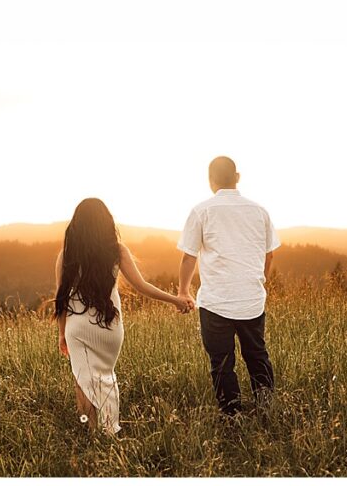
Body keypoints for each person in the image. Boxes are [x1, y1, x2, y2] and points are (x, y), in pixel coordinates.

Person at [54, 198, 193, 434]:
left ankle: (94, 433)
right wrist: (175, 299)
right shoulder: (117, 250)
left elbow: (61, 299)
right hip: (110, 326)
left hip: (77, 327)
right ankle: (110, 429)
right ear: (106, 222)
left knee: (83, 381)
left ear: (76, 224)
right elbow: (141, 286)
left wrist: (61, 334)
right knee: (106, 376)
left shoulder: (66, 255)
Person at [177, 156, 280, 416]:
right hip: (252, 300)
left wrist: (183, 291)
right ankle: (266, 409)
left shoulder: (202, 210)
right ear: (237, 177)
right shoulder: (259, 211)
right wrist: (259, 280)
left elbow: (189, 256)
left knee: (222, 363)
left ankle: (232, 415)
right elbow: (269, 254)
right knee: (257, 355)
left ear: (210, 181)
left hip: (216, 302)